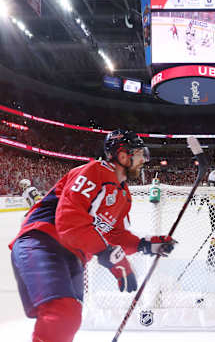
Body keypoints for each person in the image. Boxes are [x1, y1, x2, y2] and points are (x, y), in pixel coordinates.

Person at [9, 130, 177, 342]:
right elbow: (69, 221)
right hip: (43, 243)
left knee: (68, 320)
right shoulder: (94, 171)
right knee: (62, 315)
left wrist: (145, 245)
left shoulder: (123, 195)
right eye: (139, 154)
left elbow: (114, 235)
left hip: (74, 257)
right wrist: (110, 255)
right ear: (123, 155)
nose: (144, 159)